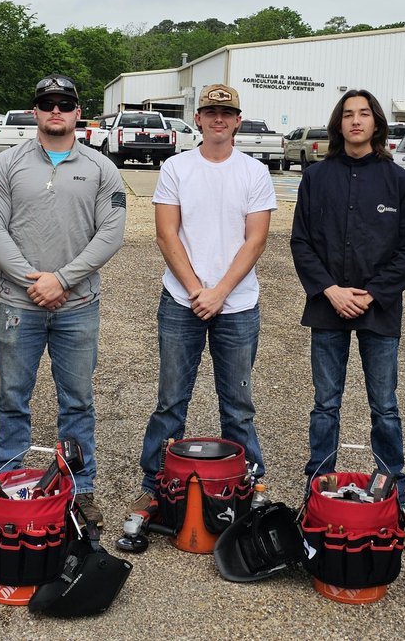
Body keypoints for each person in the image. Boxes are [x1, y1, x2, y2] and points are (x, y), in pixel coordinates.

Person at [0, 74, 125, 528]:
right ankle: (4, 482)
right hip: (18, 306)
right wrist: (32, 282)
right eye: (47, 104)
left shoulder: (102, 168)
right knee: (11, 398)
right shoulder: (5, 165)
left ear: (79, 111)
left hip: (78, 307)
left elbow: (111, 233)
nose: (56, 111)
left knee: (78, 401)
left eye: (65, 103)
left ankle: (80, 490)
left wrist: (61, 279)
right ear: (35, 111)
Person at [133, 83, 277, 510]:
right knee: (170, 402)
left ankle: (248, 488)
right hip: (182, 302)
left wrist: (220, 292)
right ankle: (155, 487)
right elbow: (166, 233)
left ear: (237, 120)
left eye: (226, 113)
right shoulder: (177, 168)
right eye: (210, 111)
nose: (218, 119)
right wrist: (198, 290)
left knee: (238, 405)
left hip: (238, 305)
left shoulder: (254, 171)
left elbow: (255, 241)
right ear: (198, 118)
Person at [289, 89, 405, 546]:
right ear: (338, 124)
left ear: (377, 124)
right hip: (327, 310)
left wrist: (371, 295)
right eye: (348, 115)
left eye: (364, 114)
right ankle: (316, 495)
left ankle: (395, 505)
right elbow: (301, 243)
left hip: (378, 313)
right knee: (325, 406)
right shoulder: (317, 177)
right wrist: (330, 290)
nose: (356, 121)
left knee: (384, 408)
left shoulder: (397, 182)